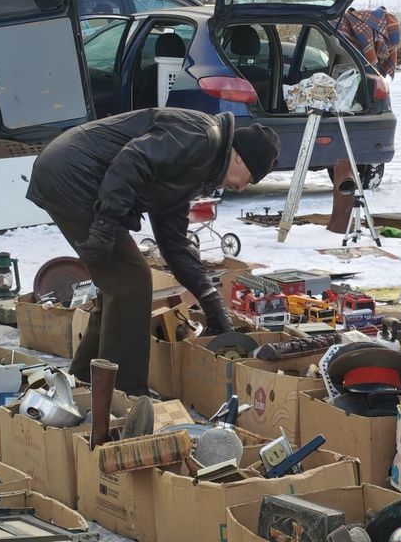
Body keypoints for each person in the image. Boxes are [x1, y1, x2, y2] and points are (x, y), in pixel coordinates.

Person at [27, 108, 279, 394]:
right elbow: (132, 160)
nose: (244, 187)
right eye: (250, 177)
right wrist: (107, 226)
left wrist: (213, 306)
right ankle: (124, 391)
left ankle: (88, 378)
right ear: (238, 156)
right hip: (74, 174)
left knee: (120, 282)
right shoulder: (202, 137)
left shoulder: (197, 167)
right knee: (132, 281)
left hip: (77, 175)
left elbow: (175, 245)